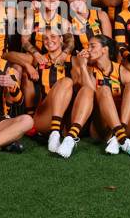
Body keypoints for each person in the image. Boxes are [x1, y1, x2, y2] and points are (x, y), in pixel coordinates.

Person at [22, 27, 89, 158]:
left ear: (61, 39)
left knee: (86, 90)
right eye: (45, 38)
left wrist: (83, 65)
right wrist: (27, 65)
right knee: (65, 81)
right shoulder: (39, 59)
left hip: (69, 118)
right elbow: (7, 55)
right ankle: (54, 133)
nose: (49, 40)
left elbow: (86, 90)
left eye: (53, 36)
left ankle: (70, 138)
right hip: (46, 117)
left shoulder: (73, 59)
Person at [78, 35, 130, 157]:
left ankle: (118, 137)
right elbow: (89, 94)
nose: (88, 50)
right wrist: (83, 66)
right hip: (102, 126)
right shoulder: (89, 70)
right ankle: (122, 138)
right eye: (88, 46)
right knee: (103, 90)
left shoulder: (120, 70)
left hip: (125, 124)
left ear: (105, 49)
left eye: (92, 46)